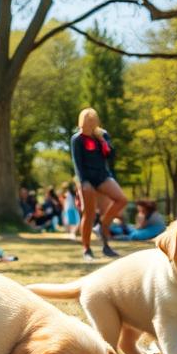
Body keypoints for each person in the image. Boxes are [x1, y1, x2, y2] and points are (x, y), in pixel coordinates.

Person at [71, 108, 127, 261]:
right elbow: (77, 163)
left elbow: (111, 156)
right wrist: (84, 182)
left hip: (102, 177)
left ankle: (102, 229)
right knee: (89, 214)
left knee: (121, 200)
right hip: (86, 179)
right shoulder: (77, 139)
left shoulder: (102, 135)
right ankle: (86, 249)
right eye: (86, 123)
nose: (88, 126)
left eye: (91, 122)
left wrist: (104, 141)